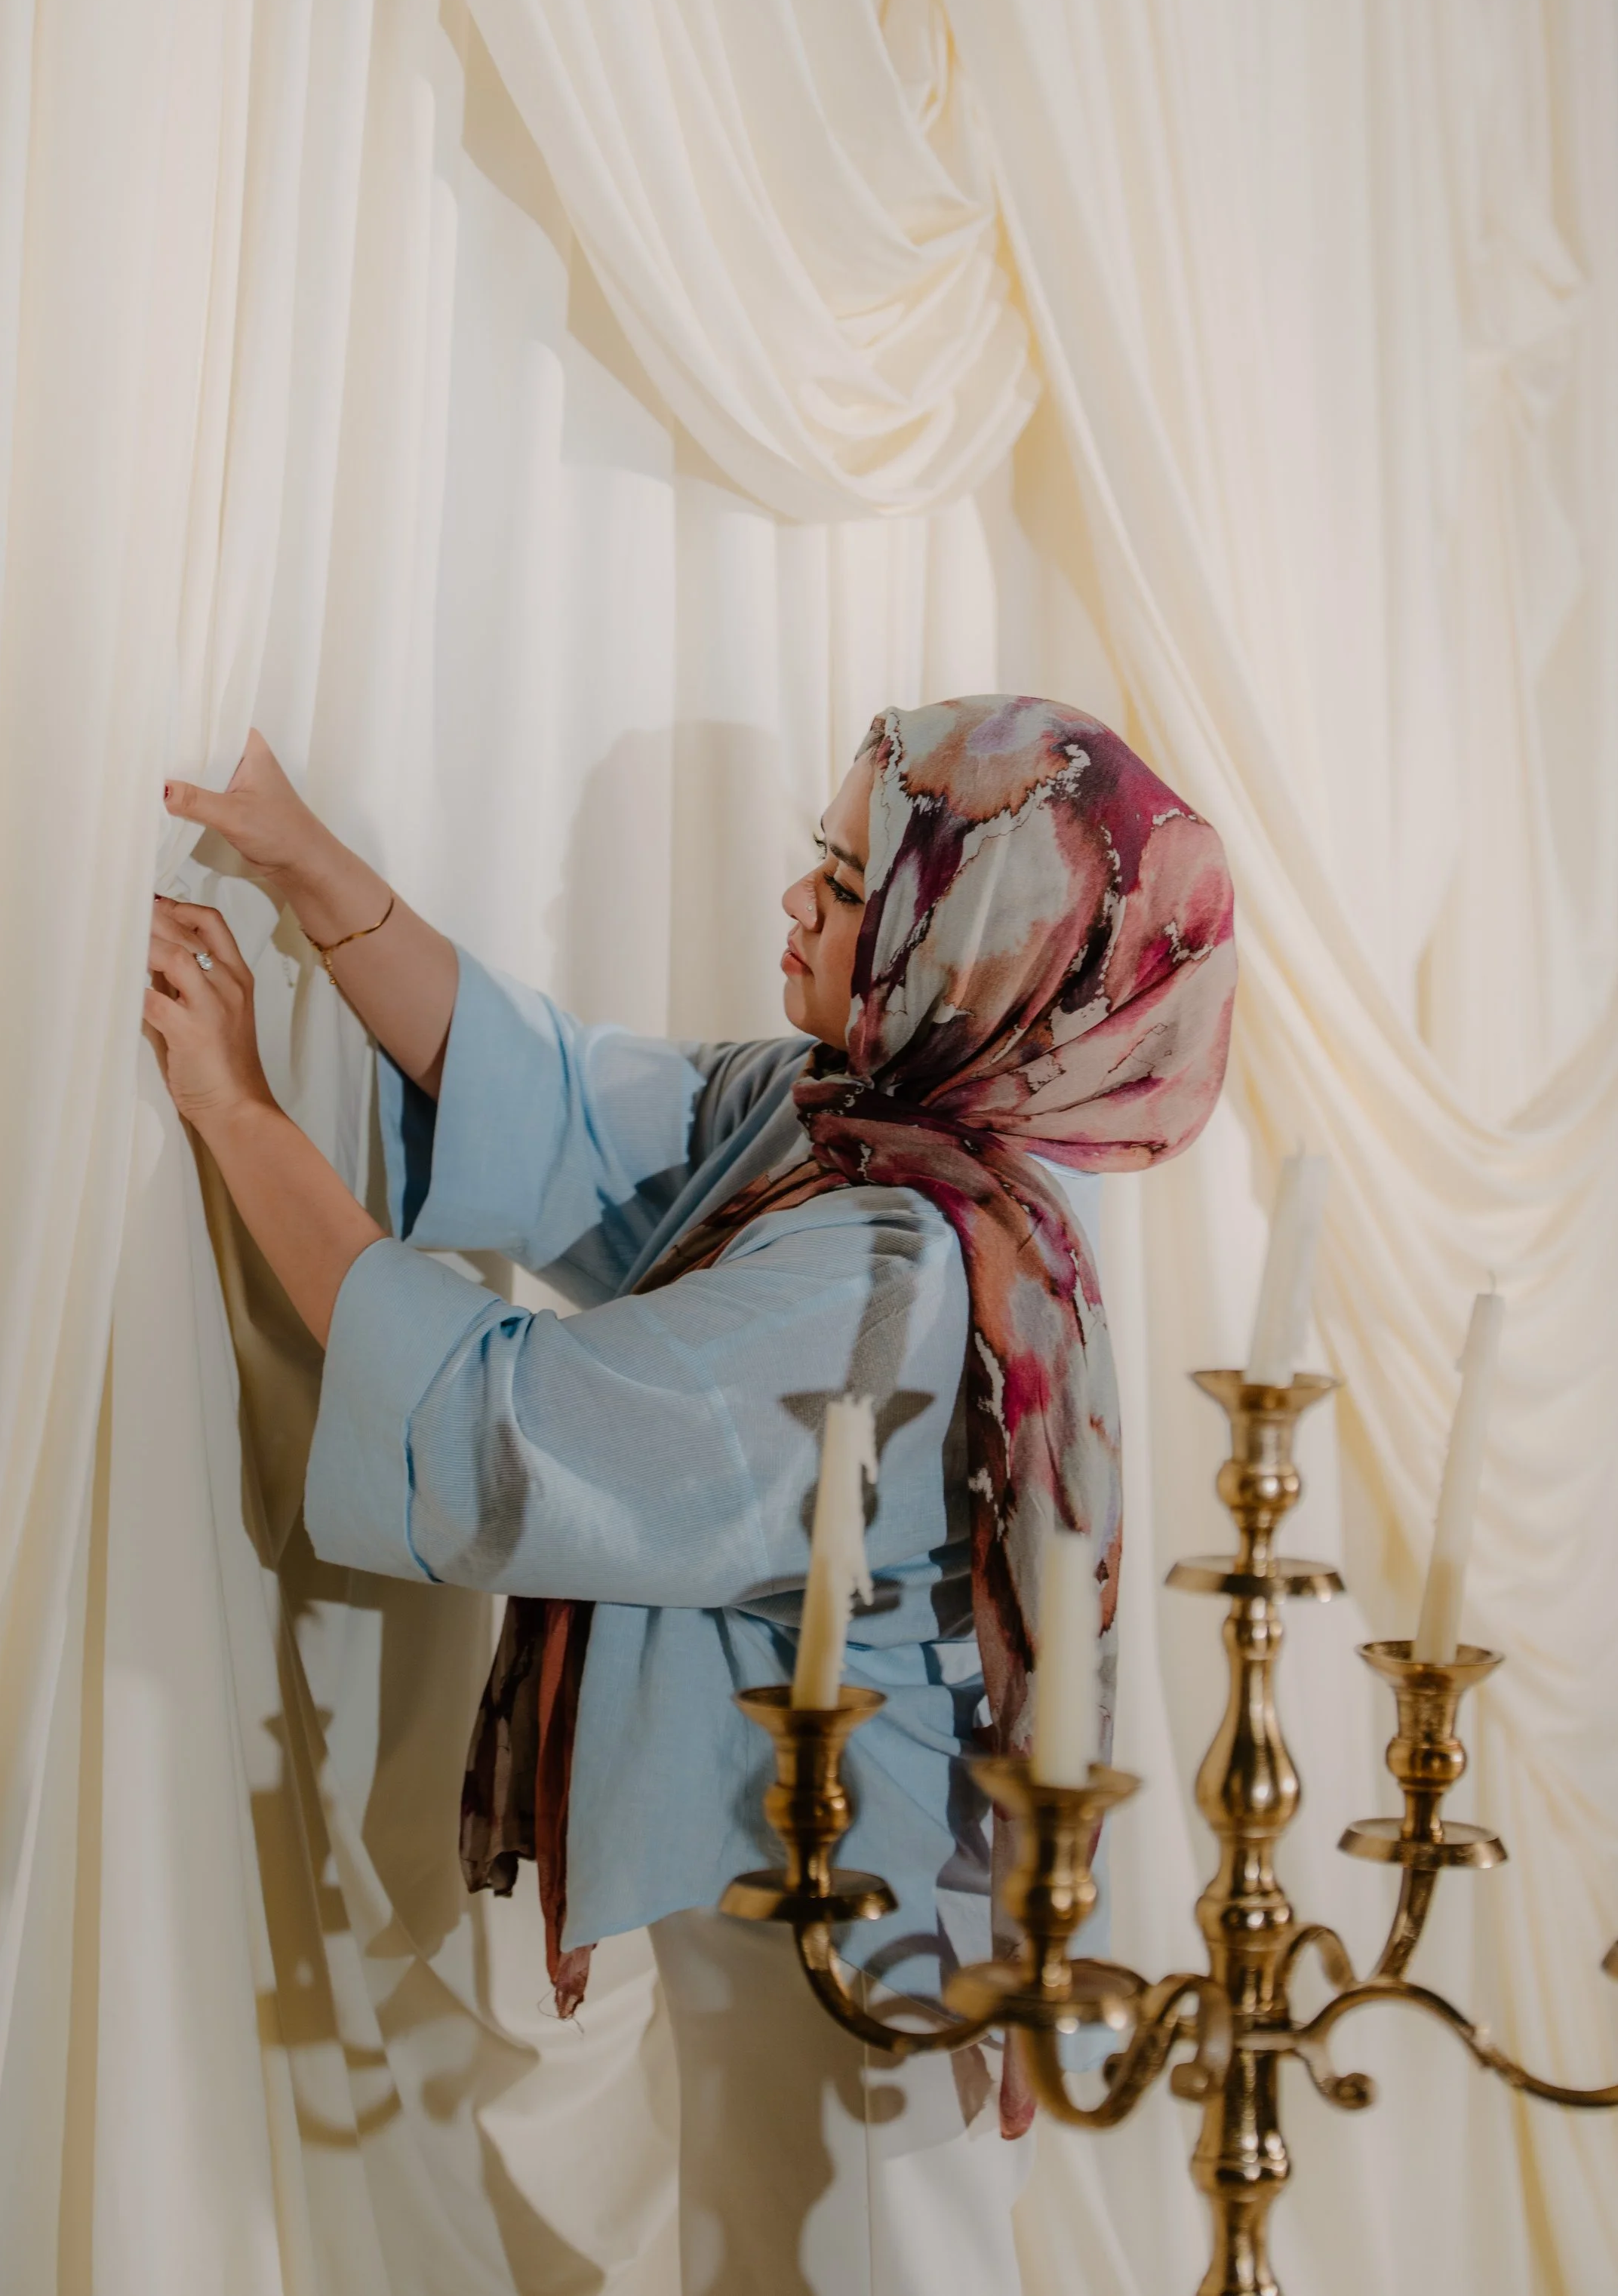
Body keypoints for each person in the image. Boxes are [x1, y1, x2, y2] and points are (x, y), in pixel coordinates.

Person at [146, 695, 1236, 2296]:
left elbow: (512, 1426)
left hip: (859, 1950)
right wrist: (314, 869)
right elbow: (576, 1108)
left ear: (966, 949)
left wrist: (237, 1114)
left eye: (850, 885)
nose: (796, 900)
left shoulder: (895, 1272)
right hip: (803, 1918)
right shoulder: (854, 1135)